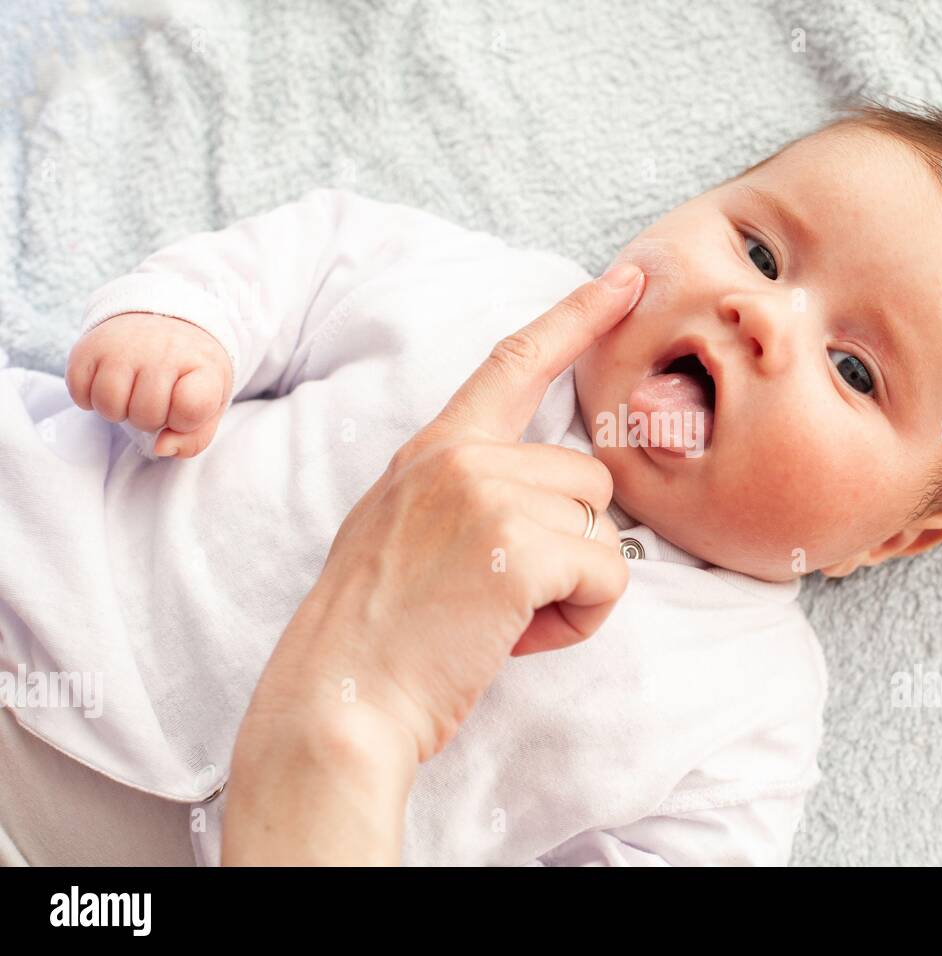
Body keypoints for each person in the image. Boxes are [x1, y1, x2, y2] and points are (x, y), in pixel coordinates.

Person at [221, 264, 645, 864]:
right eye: (758, 254)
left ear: (833, 555)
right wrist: (185, 320)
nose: (761, 318)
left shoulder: (757, 718)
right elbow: (311, 269)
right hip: (59, 616)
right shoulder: (485, 291)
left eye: (835, 367)